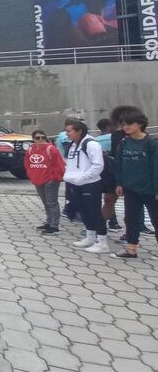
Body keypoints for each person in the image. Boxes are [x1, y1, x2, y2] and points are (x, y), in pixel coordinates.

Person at [112, 109, 158, 259]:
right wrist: (119, 183)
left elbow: (156, 167)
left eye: (129, 124)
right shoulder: (124, 142)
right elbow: (118, 164)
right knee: (131, 219)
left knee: (155, 219)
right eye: (123, 124)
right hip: (130, 189)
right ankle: (131, 250)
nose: (125, 127)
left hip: (150, 190)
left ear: (140, 124)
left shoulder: (151, 143)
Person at [66, 120, 109, 252]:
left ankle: (102, 242)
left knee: (94, 212)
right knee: (84, 211)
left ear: (79, 131)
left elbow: (98, 165)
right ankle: (90, 237)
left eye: (69, 131)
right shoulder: (73, 144)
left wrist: (82, 177)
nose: (66, 134)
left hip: (90, 184)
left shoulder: (91, 144)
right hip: (76, 183)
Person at [24, 130, 65, 234]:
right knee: (45, 202)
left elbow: (59, 165)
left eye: (43, 137)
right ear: (33, 139)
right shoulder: (30, 150)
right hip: (38, 180)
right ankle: (49, 222)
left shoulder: (51, 149)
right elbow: (27, 164)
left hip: (50, 180)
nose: (41, 139)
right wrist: (32, 176)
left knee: (52, 202)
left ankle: (54, 226)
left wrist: (54, 178)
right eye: (38, 138)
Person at [97, 118, 122, 231]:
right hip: (115, 171)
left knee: (109, 200)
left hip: (105, 173)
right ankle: (112, 224)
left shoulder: (96, 139)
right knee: (111, 200)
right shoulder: (114, 137)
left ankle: (106, 225)